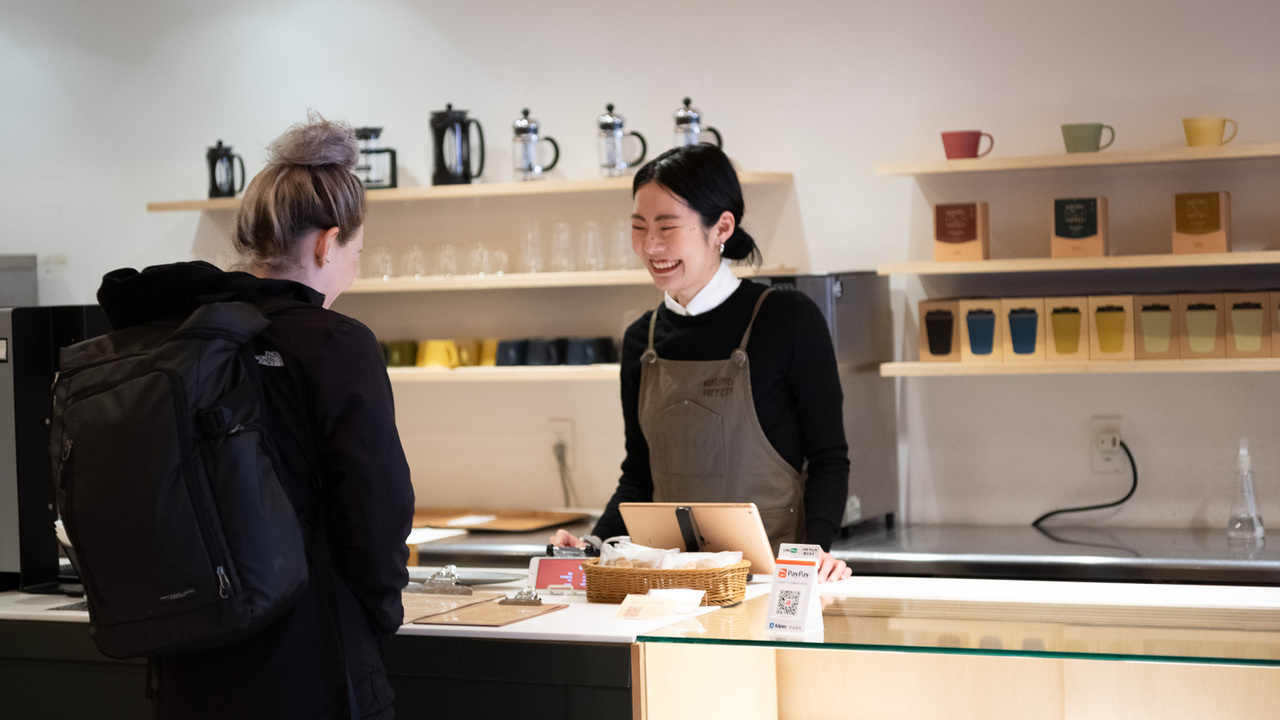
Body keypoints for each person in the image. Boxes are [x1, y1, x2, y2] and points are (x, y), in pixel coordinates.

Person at [95, 113, 415, 719]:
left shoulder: (173, 334)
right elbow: (375, 502)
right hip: (310, 662)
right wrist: (379, 613)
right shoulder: (332, 341)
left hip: (186, 660)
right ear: (328, 241)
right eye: (357, 250)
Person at [551, 144, 852, 583]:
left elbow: (828, 458)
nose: (651, 246)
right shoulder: (642, 339)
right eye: (638, 228)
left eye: (667, 228)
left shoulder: (787, 320)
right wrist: (593, 545)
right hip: (670, 588)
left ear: (721, 227)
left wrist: (814, 552)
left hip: (770, 583)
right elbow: (639, 477)